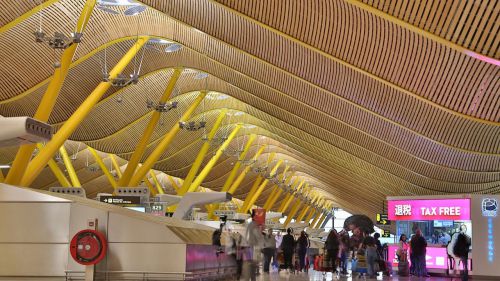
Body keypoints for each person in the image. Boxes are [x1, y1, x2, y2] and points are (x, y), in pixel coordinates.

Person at [242, 210, 263, 281]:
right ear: (254, 216)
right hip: (253, 248)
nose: (258, 217)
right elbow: (258, 236)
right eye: (256, 216)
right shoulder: (254, 224)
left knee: (251, 265)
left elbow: (246, 236)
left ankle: (250, 279)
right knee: (252, 265)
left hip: (249, 247)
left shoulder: (250, 224)